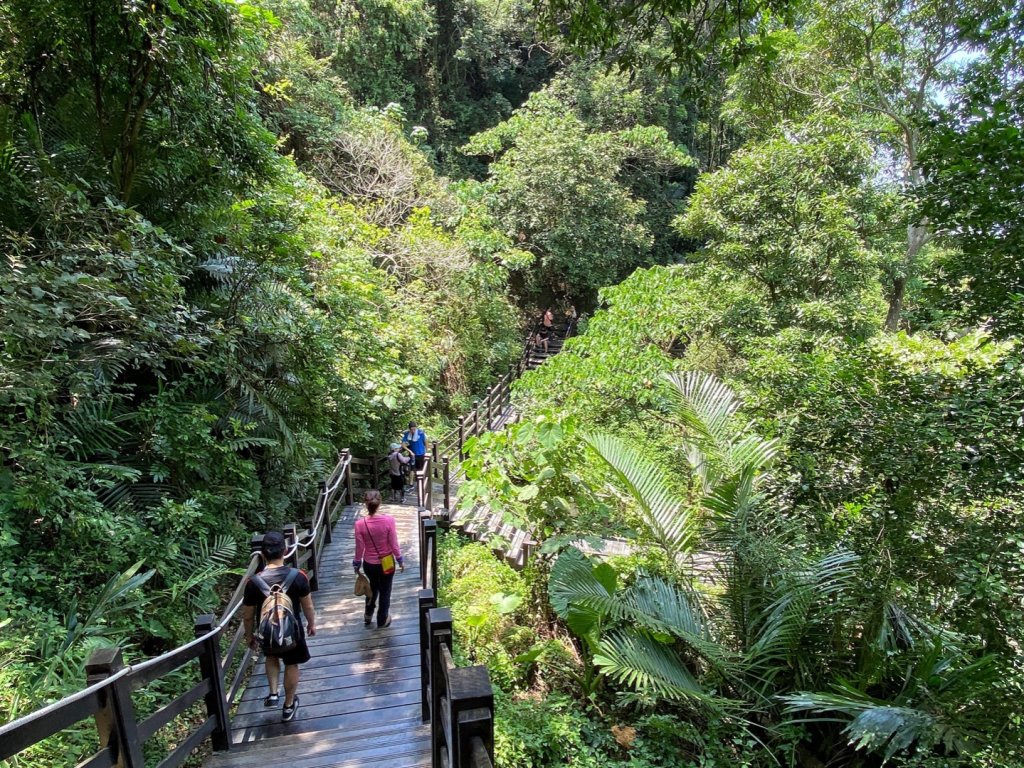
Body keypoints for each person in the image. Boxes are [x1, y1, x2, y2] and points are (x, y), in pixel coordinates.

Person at [242, 531, 316, 722]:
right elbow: (307, 605)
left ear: (262, 554)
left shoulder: (254, 582)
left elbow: (248, 615)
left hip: (268, 632)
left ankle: (273, 692)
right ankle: (288, 705)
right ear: (285, 550)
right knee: (292, 664)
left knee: (272, 655)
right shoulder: (298, 576)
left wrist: (249, 636)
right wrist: (311, 624)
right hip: (293, 631)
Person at [352, 490, 405, 628]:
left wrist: (357, 563)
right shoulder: (389, 521)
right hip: (387, 562)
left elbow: (359, 547)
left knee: (372, 587)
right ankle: (382, 619)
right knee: (385, 590)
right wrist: (399, 559)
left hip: (369, 564)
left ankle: (368, 614)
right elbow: (393, 543)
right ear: (380, 502)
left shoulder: (360, 524)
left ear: (365, 503)